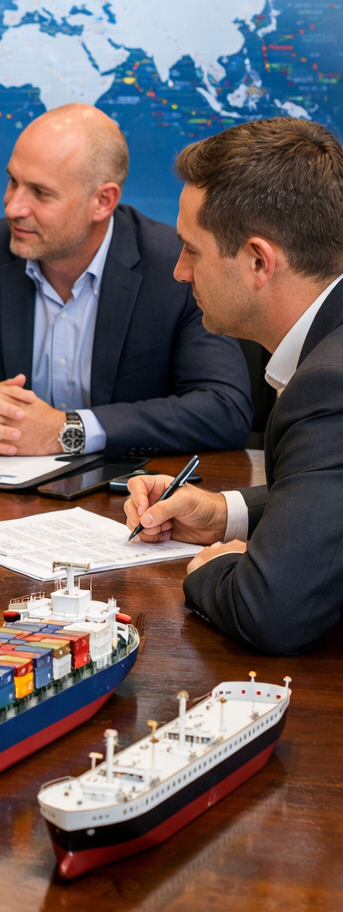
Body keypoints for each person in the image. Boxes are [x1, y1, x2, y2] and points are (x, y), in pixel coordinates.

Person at [0, 104, 252, 457]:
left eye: (40, 193)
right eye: (12, 182)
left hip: (131, 504)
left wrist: (69, 430)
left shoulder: (173, 266)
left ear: (103, 201)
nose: (13, 206)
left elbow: (224, 408)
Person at [124, 117, 343, 656]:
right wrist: (227, 515)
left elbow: (269, 610)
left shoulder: (329, 387)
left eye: (191, 250)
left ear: (258, 261)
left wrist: (216, 566)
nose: (179, 271)